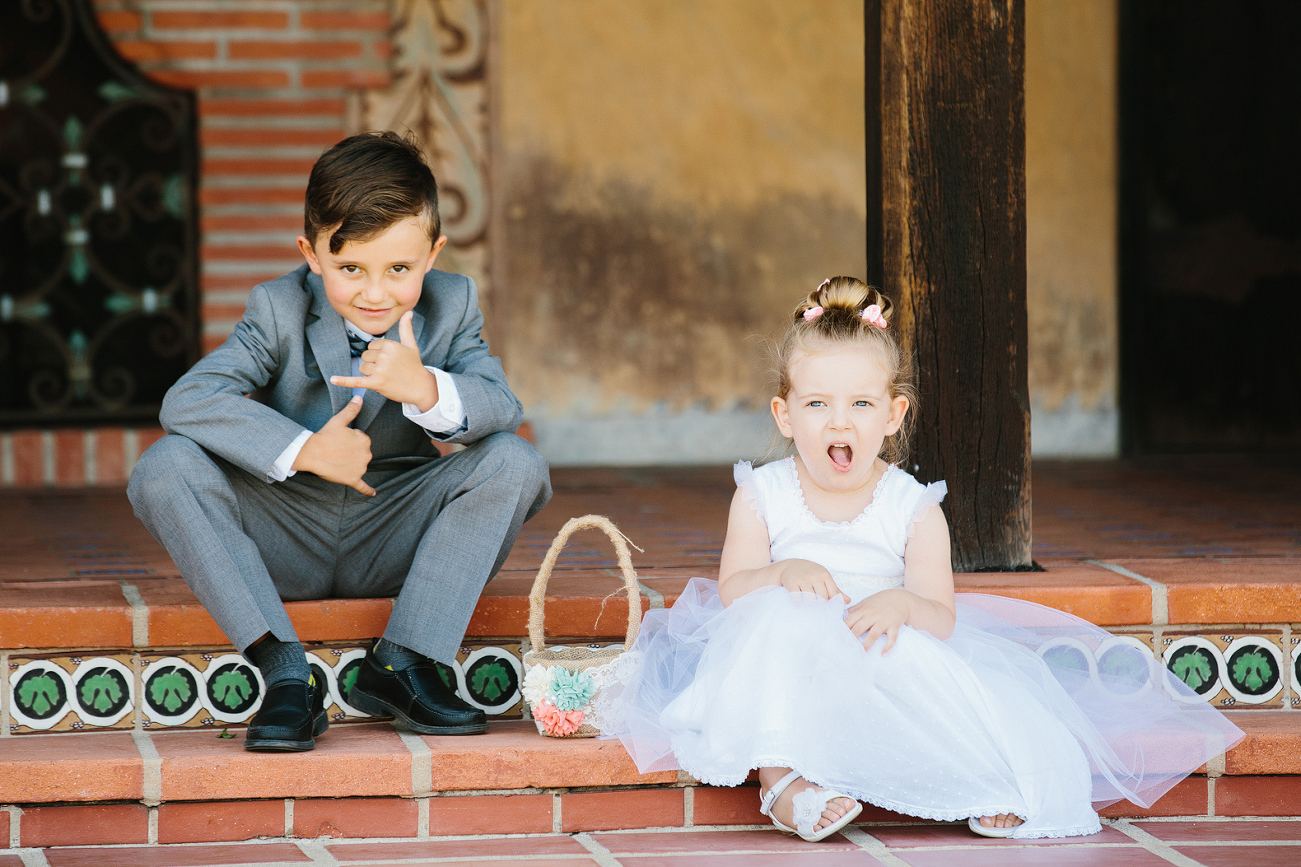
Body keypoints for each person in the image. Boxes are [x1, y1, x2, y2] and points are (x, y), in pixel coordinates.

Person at [596, 277, 1243, 841]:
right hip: (782, 653)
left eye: (860, 404)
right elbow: (734, 590)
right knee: (774, 617)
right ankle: (784, 782)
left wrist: (901, 601)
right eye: (816, 403)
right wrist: (777, 573)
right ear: (784, 414)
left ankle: (981, 781)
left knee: (945, 688)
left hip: (872, 648)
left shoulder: (910, 506)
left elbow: (938, 613)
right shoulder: (761, 494)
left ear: (892, 413)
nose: (838, 423)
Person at [128, 131, 551, 751]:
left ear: (432, 256)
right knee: (165, 467)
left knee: (514, 462)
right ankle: (285, 675)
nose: (375, 293)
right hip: (282, 533)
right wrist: (305, 450)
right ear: (313, 253)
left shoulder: (452, 305)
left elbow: (501, 408)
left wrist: (427, 388)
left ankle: (402, 663)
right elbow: (188, 401)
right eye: (350, 267)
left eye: (399, 270)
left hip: (395, 528)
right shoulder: (276, 308)